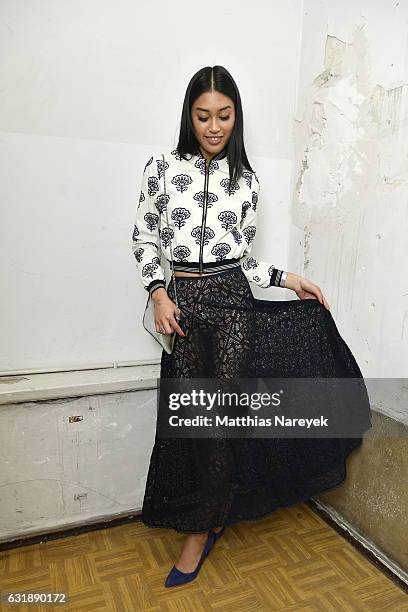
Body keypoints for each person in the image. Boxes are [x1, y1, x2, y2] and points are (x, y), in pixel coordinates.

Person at [131, 65, 370, 588]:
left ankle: (202, 528)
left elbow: (241, 262)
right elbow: (144, 239)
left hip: (232, 304)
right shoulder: (161, 168)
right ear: (188, 116)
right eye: (202, 116)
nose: (213, 127)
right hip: (184, 303)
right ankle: (211, 511)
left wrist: (289, 278)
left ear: (236, 117)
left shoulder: (247, 182)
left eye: (223, 116)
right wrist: (157, 292)